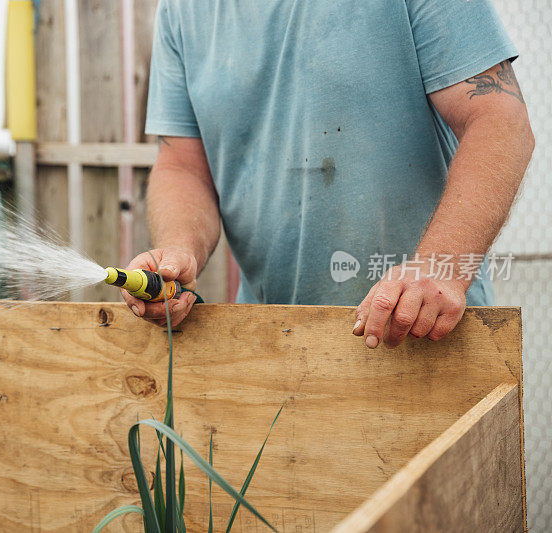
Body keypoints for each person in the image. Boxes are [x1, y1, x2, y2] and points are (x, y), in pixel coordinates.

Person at [121, 0, 534, 348]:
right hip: (273, 340)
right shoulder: (182, 8)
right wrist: (177, 252)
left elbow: (498, 119)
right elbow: (182, 166)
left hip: (422, 332)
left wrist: (439, 267)